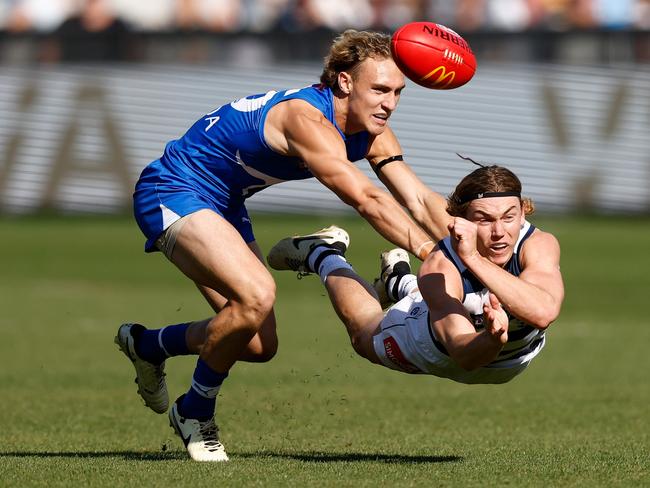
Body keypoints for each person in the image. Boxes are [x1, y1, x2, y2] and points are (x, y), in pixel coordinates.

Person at [115, 29, 452, 462]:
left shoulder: (372, 129)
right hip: (173, 188)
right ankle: (194, 412)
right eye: (381, 89)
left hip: (224, 202)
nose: (390, 102)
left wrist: (467, 252)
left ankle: (148, 345)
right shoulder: (305, 119)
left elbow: (419, 199)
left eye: (398, 92)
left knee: (257, 344)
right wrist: (431, 252)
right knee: (256, 295)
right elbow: (367, 199)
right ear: (345, 82)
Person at [267, 163, 564, 384]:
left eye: (509, 217)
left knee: (452, 294)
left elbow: (543, 311)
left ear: (523, 212)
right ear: (460, 221)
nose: (500, 232)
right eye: (484, 220)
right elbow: (463, 356)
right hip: (437, 352)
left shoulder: (538, 244)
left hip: (518, 358)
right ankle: (324, 254)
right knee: (364, 337)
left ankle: (396, 280)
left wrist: (474, 258)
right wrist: (491, 339)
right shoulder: (439, 266)